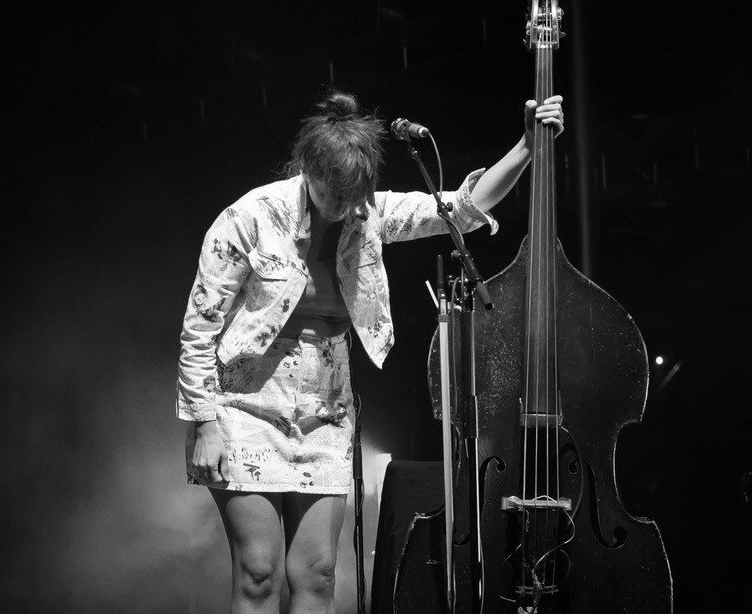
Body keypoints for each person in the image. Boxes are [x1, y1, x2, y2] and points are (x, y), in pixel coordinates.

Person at [177, 88, 565, 613]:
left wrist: (527, 146)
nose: (342, 205)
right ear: (307, 170)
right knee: (259, 572)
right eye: (331, 192)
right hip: (246, 406)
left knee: (316, 573)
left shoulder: (368, 214)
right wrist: (202, 423)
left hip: (325, 409)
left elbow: (462, 207)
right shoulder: (250, 216)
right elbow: (201, 326)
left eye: (353, 195)